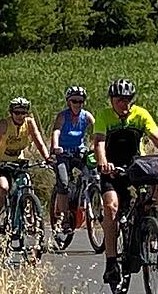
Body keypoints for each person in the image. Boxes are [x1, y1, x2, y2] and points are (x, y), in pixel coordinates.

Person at [93, 79, 158, 286]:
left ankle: (152, 226)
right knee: (111, 207)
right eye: (119, 100)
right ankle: (111, 261)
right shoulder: (104, 116)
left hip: (136, 165)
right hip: (113, 168)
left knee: (157, 182)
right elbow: (99, 141)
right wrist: (103, 163)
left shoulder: (141, 114)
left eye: (127, 100)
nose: (123, 104)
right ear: (112, 100)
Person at [0, 97, 50, 231]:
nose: (20, 116)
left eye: (23, 113)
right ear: (11, 113)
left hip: (18, 162)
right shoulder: (4, 124)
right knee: (3, 187)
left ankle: (30, 219)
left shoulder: (29, 123)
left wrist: (47, 157)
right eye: (17, 113)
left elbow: (39, 141)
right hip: (1, 163)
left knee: (25, 184)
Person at [51, 86, 95, 233]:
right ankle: (63, 219)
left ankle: (85, 198)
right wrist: (56, 146)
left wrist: (97, 145)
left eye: (80, 101)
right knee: (63, 183)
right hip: (63, 153)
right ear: (68, 102)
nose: (77, 104)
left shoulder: (86, 116)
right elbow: (56, 131)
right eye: (74, 101)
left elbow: (98, 130)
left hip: (79, 152)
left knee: (93, 173)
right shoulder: (63, 116)